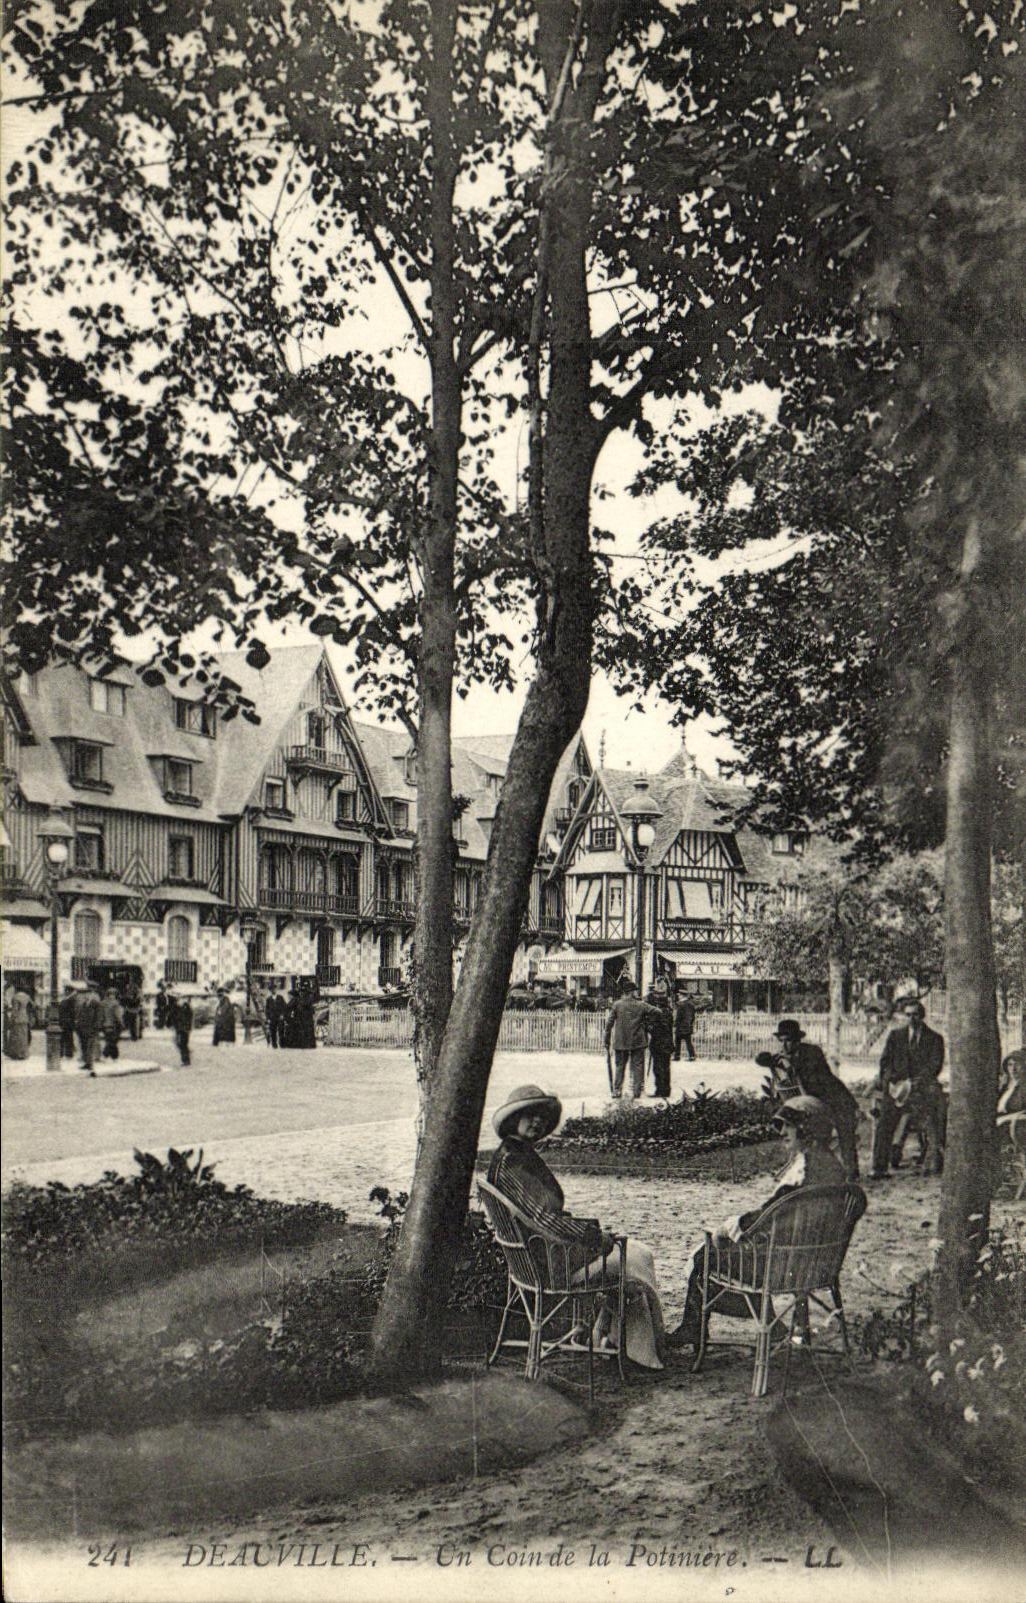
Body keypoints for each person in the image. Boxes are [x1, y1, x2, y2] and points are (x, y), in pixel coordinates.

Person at [487, 1084, 666, 1368]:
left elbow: (541, 1216)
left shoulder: (512, 1155)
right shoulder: (514, 1163)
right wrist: (593, 1235)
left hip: (540, 1256)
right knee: (635, 1257)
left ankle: (620, 1339)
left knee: (632, 1254)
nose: (537, 1122)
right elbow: (546, 1219)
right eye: (529, 1115)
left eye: (541, 1117)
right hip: (549, 1263)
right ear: (513, 1119)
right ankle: (639, 1351)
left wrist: (590, 1234)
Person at [665, 1096, 850, 1351]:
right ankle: (773, 1323)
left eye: (788, 1126)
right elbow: (786, 1217)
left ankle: (695, 1328)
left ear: (805, 1130)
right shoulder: (834, 1168)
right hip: (821, 1263)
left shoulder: (804, 1171)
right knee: (739, 1250)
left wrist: (732, 1227)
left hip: (786, 1264)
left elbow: (770, 1216)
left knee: (705, 1257)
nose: (782, 1132)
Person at [756, 1018, 860, 1179]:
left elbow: (814, 1076)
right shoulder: (783, 1057)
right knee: (805, 1133)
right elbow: (761, 1059)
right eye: (781, 1041)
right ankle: (809, 1168)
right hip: (811, 1103)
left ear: (797, 1040)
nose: (784, 1045)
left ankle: (851, 1171)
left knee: (845, 1136)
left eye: (789, 1041)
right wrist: (769, 1060)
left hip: (836, 1099)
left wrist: (791, 1066)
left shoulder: (812, 1052)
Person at [870, 1001, 945, 1179]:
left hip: (921, 1089)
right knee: (884, 1123)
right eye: (908, 1015)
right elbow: (885, 1062)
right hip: (897, 1089)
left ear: (922, 1016)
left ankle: (933, 1162)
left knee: (934, 1119)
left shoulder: (934, 1038)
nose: (912, 1019)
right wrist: (892, 1081)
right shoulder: (896, 1036)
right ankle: (879, 1168)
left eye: (915, 1015)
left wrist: (915, 1082)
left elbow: (935, 1066)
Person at [604, 980, 661, 1100]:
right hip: (638, 1041)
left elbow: (609, 1024)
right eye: (635, 991)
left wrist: (606, 1040)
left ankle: (617, 1091)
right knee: (638, 1066)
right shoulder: (641, 1005)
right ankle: (636, 1092)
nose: (636, 993)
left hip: (621, 1041)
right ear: (631, 992)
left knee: (620, 1066)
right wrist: (648, 1024)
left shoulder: (617, 1005)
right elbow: (658, 1012)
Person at [645, 975, 675, 1098]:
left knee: (658, 1068)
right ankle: (665, 1090)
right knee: (666, 1068)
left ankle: (660, 1090)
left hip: (659, 1044)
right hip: (667, 1044)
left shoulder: (659, 1013)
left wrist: (648, 1027)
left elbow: (656, 1028)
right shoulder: (669, 1012)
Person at [73, 981, 101, 1074]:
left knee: (90, 1046)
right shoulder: (84, 1004)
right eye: (86, 993)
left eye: (89, 993)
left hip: (91, 1027)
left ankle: (90, 1064)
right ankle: (86, 1062)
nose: (87, 995)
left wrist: (96, 1026)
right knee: (84, 1046)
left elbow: (98, 1016)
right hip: (83, 1028)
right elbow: (79, 1015)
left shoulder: (95, 1003)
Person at [3, 983, 33, 1060]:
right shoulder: (27, 996)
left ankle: (16, 1053)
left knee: (16, 1036)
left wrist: (11, 1019)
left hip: (17, 1019)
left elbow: (15, 1010)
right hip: (25, 1018)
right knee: (23, 1036)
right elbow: (33, 1005)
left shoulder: (16, 997)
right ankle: (24, 1053)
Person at [99, 986, 123, 1060]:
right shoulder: (115, 1004)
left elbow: (100, 1015)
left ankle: (113, 1056)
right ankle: (106, 1055)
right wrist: (121, 1024)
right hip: (113, 1025)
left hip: (105, 1025)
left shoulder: (102, 1003)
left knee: (109, 1040)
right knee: (112, 1041)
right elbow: (117, 1016)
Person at [674, 990, 698, 1063]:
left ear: (682, 996)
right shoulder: (691, 1004)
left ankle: (677, 1056)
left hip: (681, 1026)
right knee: (688, 1042)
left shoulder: (680, 1005)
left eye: (679, 995)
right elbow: (693, 1016)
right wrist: (691, 1024)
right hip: (688, 1026)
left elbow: (678, 1016)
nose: (678, 996)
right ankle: (692, 1056)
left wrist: (675, 1024)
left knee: (678, 1041)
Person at [58, 984, 78, 1059]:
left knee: (67, 1038)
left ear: (69, 991)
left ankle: (68, 1054)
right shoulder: (67, 999)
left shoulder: (71, 999)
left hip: (67, 1021)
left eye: (66, 990)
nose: (65, 992)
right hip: (64, 1021)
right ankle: (64, 1053)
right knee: (63, 1038)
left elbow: (72, 1011)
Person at [172, 993, 193, 1066]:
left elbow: (189, 1018)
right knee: (179, 1043)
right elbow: (174, 1018)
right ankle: (186, 1056)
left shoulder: (186, 1007)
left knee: (183, 1044)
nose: (178, 1000)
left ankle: (186, 1060)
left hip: (184, 1029)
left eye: (179, 999)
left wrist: (188, 1027)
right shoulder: (177, 1007)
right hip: (179, 1029)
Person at [266, 985, 287, 1049]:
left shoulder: (280, 997)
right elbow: (267, 1009)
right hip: (272, 1017)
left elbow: (284, 1007)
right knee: (273, 1031)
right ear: (270, 991)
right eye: (272, 990)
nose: (273, 990)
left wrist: (282, 1015)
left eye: (274, 989)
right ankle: (274, 1044)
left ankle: (282, 1044)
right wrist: (268, 1018)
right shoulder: (269, 999)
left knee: (281, 1030)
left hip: (279, 1016)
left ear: (276, 990)